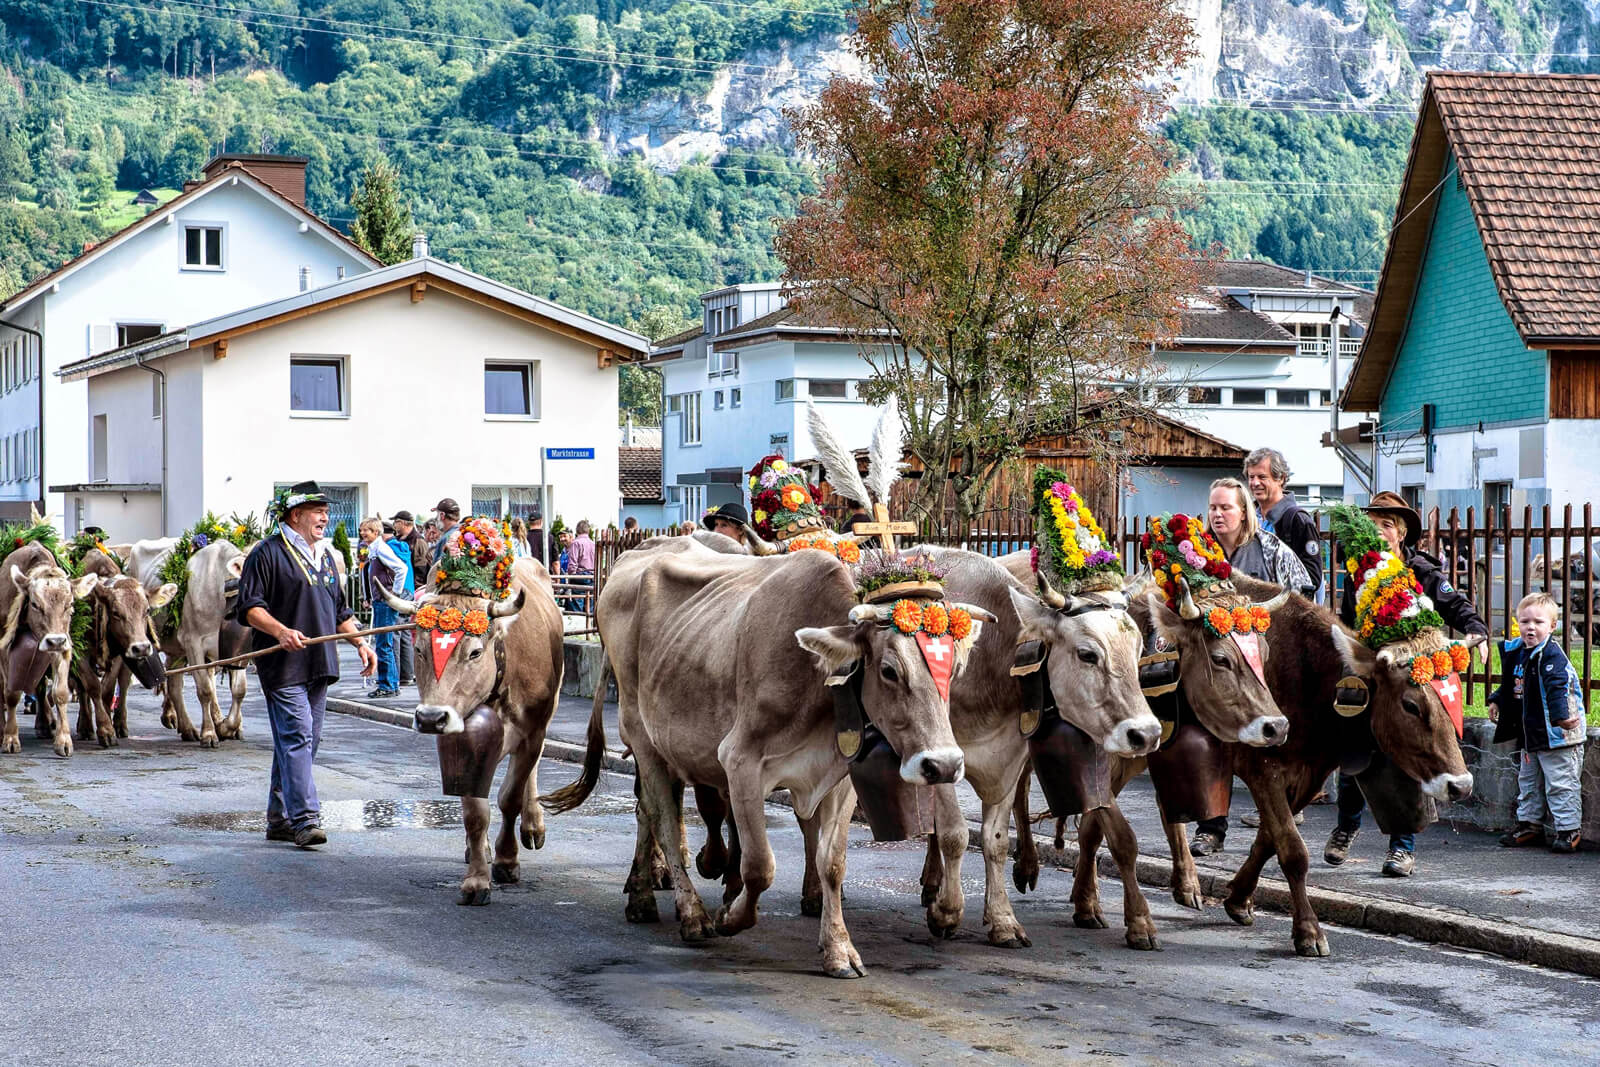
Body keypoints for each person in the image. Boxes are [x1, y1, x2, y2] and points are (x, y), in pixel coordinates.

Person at [1324, 491, 1489, 876]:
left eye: (1386, 525)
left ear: (1400, 533)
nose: (1379, 531)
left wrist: (1477, 631)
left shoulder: (1420, 569)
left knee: (1410, 757)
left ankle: (1402, 848)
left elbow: (1456, 606)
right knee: (1355, 755)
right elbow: (1349, 622)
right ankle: (1346, 826)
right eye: (1373, 524)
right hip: (1374, 675)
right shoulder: (1358, 572)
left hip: (1412, 679)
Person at [236, 482, 377, 849]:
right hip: (282, 665)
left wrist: (360, 642)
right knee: (298, 734)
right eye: (318, 511)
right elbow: (249, 608)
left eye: (326, 511)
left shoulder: (325, 555)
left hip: (319, 662)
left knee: (304, 740)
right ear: (295, 515)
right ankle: (305, 820)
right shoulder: (266, 553)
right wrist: (280, 631)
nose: (325, 517)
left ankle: (279, 816)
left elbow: (340, 611)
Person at [1188, 477, 1314, 858]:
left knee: (1269, 750)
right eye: (1213, 507)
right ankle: (1211, 827)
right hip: (1217, 666)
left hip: (1266, 662)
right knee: (1211, 742)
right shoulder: (1197, 553)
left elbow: (1302, 595)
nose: (1217, 514)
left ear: (1244, 512)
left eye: (1226, 507)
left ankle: (1280, 820)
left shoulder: (1271, 549)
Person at [1490, 592, 1585, 854]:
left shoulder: (1552, 658)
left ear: (1552, 626)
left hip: (1558, 734)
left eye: (1538, 622)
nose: (1530, 627)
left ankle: (1568, 829)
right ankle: (1530, 825)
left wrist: (1563, 719)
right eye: (1524, 621)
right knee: (1528, 782)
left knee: (1561, 783)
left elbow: (1558, 690)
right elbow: (1511, 684)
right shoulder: (1519, 653)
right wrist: (1497, 700)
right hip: (1530, 734)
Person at [1245, 448, 1324, 600]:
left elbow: (1312, 578)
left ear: (1281, 478)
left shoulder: (1297, 520)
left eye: (1262, 477)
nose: (1255, 483)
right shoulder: (1248, 518)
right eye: (1251, 477)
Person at [358, 518, 409, 699]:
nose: (364, 534)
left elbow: (401, 569)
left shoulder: (381, 548)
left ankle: (387, 685)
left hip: (385, 602)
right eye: (362, 530)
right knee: (384, 643)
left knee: (383, 644)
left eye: (368, 530)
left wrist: (394, 594)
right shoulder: (373, 549)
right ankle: (391, 683)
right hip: (379, 601)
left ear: (376, 533)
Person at [429, 498, 461, 570]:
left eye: (437, 515)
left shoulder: (446, 538)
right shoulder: (465, 532)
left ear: (442, 515)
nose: (436, 519)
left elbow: (438, 569)